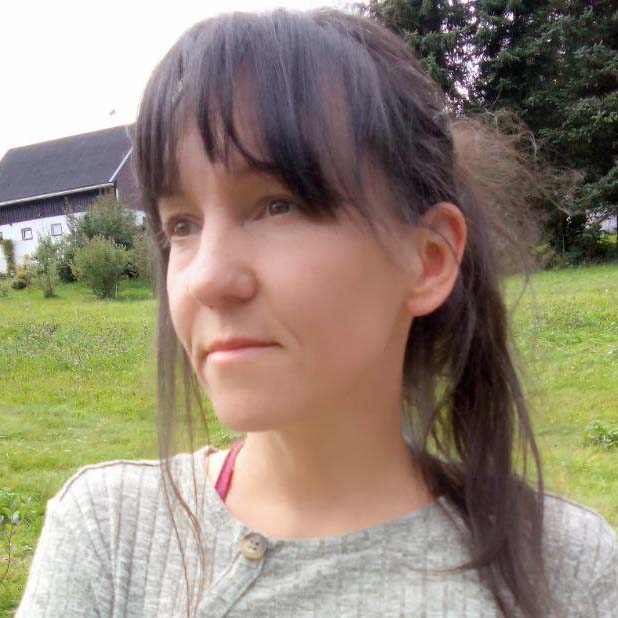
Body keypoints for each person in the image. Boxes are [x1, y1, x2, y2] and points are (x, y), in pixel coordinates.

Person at [15, 7, 617, 618]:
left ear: (428, 260)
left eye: (278, 205)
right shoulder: (108, 537)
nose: (207, 279)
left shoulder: (570, 571)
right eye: (182, 225)